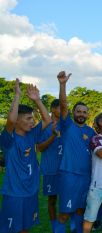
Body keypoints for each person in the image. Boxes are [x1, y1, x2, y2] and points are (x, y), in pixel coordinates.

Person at [0, 79, 51, 233]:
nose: (32, 121)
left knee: (25, 228)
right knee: (10, 229)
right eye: (28, 118)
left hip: (31, 192)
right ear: (17, 121)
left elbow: (47, 120)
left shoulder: (32, 135)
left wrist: (37, 100)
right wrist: (17, 95)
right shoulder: (9, 139)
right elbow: (10, 120)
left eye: (32, 118)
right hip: (14, 195)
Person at [55, 71, 96, 233]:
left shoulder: (91, 131)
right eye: (79, 111)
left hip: (86, 177)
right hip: (69, 175)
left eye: (84, 112)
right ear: (73, 113)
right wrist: (63, 84)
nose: (81, 114)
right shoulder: (67, 126)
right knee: (65, 213)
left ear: (87, 115)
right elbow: (63, 105)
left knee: (80, 211)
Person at [36, 99, 62, 232]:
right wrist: (53, 136)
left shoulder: (66, 125)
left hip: (65, 170)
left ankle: (65, 223)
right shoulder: (44, 126)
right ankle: (54, 227)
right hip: (50, 169)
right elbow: (40, 148)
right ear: (52, 109)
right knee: (52, 200)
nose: (62, 110)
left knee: (67, 198)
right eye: (59, 108)